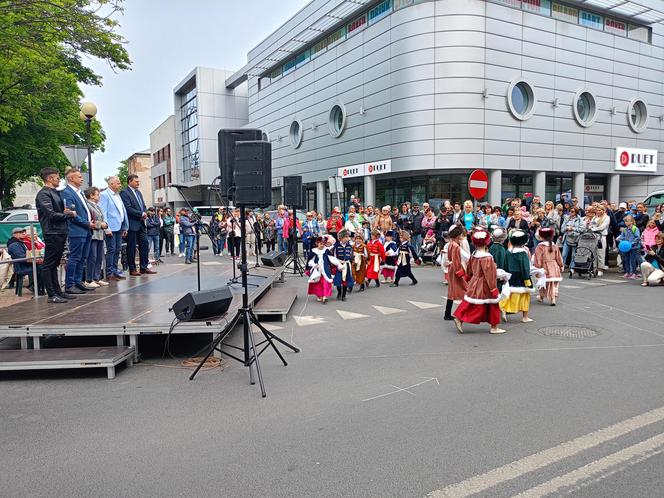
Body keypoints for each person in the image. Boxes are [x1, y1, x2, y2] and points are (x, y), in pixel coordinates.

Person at [35, 167, 76, 302]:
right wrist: (68, 214)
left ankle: (58, 291)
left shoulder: (54, 192)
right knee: (49, 264)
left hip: (59, 231)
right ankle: (52, 295)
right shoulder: (43, 194)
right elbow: (51, 214)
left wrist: (65, 212)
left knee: (55, 263)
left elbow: (57, 211)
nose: (59, 180)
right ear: (49, 178)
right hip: (52, 232)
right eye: (57, 178)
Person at [452, 230, 504, 334]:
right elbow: (489, 275)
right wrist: (493, 288)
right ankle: (494, 327)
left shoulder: (474, 254)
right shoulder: (487, 257)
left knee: (471, 302)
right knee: (493, 304)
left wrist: (469, 277)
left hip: (474, 281)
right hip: (484, 284)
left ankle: (459, 317)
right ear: (486, 242)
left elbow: (469, 268)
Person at [60, 168, 95, 294]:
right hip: (77, 230)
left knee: (83, 257)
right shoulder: (67, 193)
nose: (82, 179)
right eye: (79, 177)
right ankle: (70, 285)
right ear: (71, 178)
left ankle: (78, 282)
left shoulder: (79, 193)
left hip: (86, 230)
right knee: (75, 257)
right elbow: (70, 213)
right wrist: (86, 223)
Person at [120, 174, 155, 276]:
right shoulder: (124, 192)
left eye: (138, 181)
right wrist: (140, 213)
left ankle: (144, 267)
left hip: (141, 223)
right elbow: (127, 208)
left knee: (144, 244)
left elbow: (143, 205)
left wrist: (144, 212)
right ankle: (132, 269)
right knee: (131, 247)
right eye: (136, 181)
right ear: (130, 181)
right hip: (132, 224)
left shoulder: (138, 192)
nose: (138, 183)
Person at [500, 230, 534, 323]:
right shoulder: (523, 253)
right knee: (525, 295)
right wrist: (527, 280)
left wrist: (505, 276)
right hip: (521, 276)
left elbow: (505, 264)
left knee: (508, 293)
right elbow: (525, 268)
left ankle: (503, 308)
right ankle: (525, 317)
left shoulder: (508, 251)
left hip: (510, 275)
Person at [84, 186, 109, 287]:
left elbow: (102, 218)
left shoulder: (98, 206)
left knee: (99, 257)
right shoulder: (87, 205)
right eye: (97, 194)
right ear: (91, 195)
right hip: (93, 234)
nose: (99, 196)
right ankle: (89, 279)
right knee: (92, 257)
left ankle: (96, 277)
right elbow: (90, 220)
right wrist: (100, 224)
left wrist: (105, 225)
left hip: (100, 235)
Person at [306, 236, 342, 303]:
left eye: (323, 243)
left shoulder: (326, 251)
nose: (322, 245)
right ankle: (320, 296)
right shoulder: (314, 251)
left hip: (326, 270)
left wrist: (339, 264)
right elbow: (310, 261)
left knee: (326, 283)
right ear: (317, 243)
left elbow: (332, 259)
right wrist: (314, 265)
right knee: (318, 284)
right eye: (320, 243)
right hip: (317, 271)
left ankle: (325, 296)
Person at [533, 227, 563, 306]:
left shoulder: (540, 246)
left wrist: (537, 267)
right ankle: (552, 298)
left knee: (542, 282)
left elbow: (538, 258)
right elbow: (558, 257)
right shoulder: (554, 245)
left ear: (542, 237)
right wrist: (561, 265)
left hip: (544, 266)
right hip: (554, 266)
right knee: (552, 283)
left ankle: (542, 296)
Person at [443, 225, 468, 321]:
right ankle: (463, 312)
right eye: (461, 234)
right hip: (456, 270)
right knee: (465, 291)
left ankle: (447, 313)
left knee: (452, 292)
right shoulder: (456, 246)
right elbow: (456, 260)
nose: (462, 236)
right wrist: (460, 271)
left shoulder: (451, 244)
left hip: (451, 269)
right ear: (458, 235)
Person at [333, 230, 354, 301]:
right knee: (338, 281)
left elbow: (351, 255)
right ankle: (339, 292)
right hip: (339, 265)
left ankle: (344, 295)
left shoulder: (349, 246)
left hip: (347, 265)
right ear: (341, 238)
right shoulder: (336, 246)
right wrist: (338, 263)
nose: (347, 238)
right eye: (346, 237)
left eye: (348, 237)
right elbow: (334, 257)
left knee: (345, 280)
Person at [589, 205, 610, 276]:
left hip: (601, 237)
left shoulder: (607, 217)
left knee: (601, 253)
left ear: (603, 210)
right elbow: (590, 225)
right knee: (593, 253)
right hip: (594, 236)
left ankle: (600, 269)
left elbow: (603, 227)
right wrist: (591, 227)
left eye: (600, 210)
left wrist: (593, 228)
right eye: (597, 210)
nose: (598, 212)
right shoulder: (594, 217)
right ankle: (594, 268)